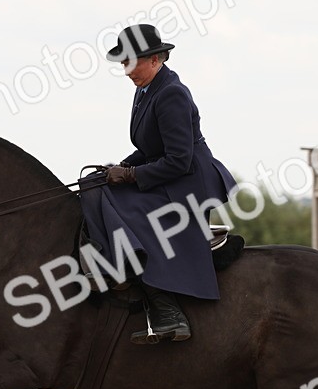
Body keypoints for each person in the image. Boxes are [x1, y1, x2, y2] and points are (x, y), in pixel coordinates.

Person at [80, 24, 237, 344]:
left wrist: (132, 176)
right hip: (168, 173)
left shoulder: (172, 94)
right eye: (123, 64)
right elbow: (151, 148)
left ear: (154, 59)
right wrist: (123, 166)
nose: (126, 71)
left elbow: (179, 159)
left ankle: (168, 312)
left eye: (130, 63)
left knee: (126, 209)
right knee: (94, 187)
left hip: (189, 183)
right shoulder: (146, 89)